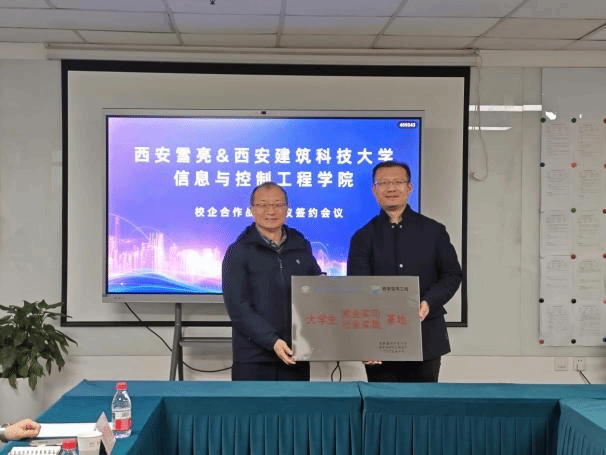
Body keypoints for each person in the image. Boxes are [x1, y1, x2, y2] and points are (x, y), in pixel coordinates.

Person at [347, 161, 462, 382]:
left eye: (398, 182)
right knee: (382, 401)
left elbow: (452, 275)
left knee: (423, 401)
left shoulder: (433, 231)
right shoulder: (362, 238)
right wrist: (365, 342)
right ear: (374, 190)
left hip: (425, 336)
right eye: (383, 183)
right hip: (379, 340)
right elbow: (357, 290)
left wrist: (428, 301)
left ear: (409, 187)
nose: (391, 188)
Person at [222, 182, 322, 381]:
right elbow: (238, 308)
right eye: (263, 205)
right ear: (252, 209)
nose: (271, 211)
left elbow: (314, 287)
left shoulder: (300, 245)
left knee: (297, 403)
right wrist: (272, 341)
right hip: (253, 359)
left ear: (287, 208)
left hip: (295, 354)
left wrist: (325, 287)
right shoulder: (238, 251)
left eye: (278, 204)